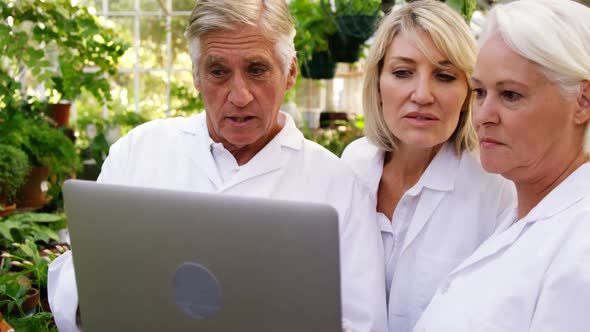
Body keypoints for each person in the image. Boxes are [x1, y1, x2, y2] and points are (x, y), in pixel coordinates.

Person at [47, 1, 387, 331]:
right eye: (218, 72)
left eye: (256, 69)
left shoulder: (338, 185)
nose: (239, 95)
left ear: (290, 73)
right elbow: (77, 279)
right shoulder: (139, 151)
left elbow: (364, 321)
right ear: (196, 76)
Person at [414, 0, 590, 331]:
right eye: (479, 92)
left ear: (582, 102)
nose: (482, 116)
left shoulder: (582, 248)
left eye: (510, 95)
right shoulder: (525, 210)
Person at [340, 2, 515, 331]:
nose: (422, 95)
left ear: (468, 92)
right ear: (377, 84)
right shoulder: (352, 164)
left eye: (445, 75)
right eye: (403, 72)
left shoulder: (497, 187)